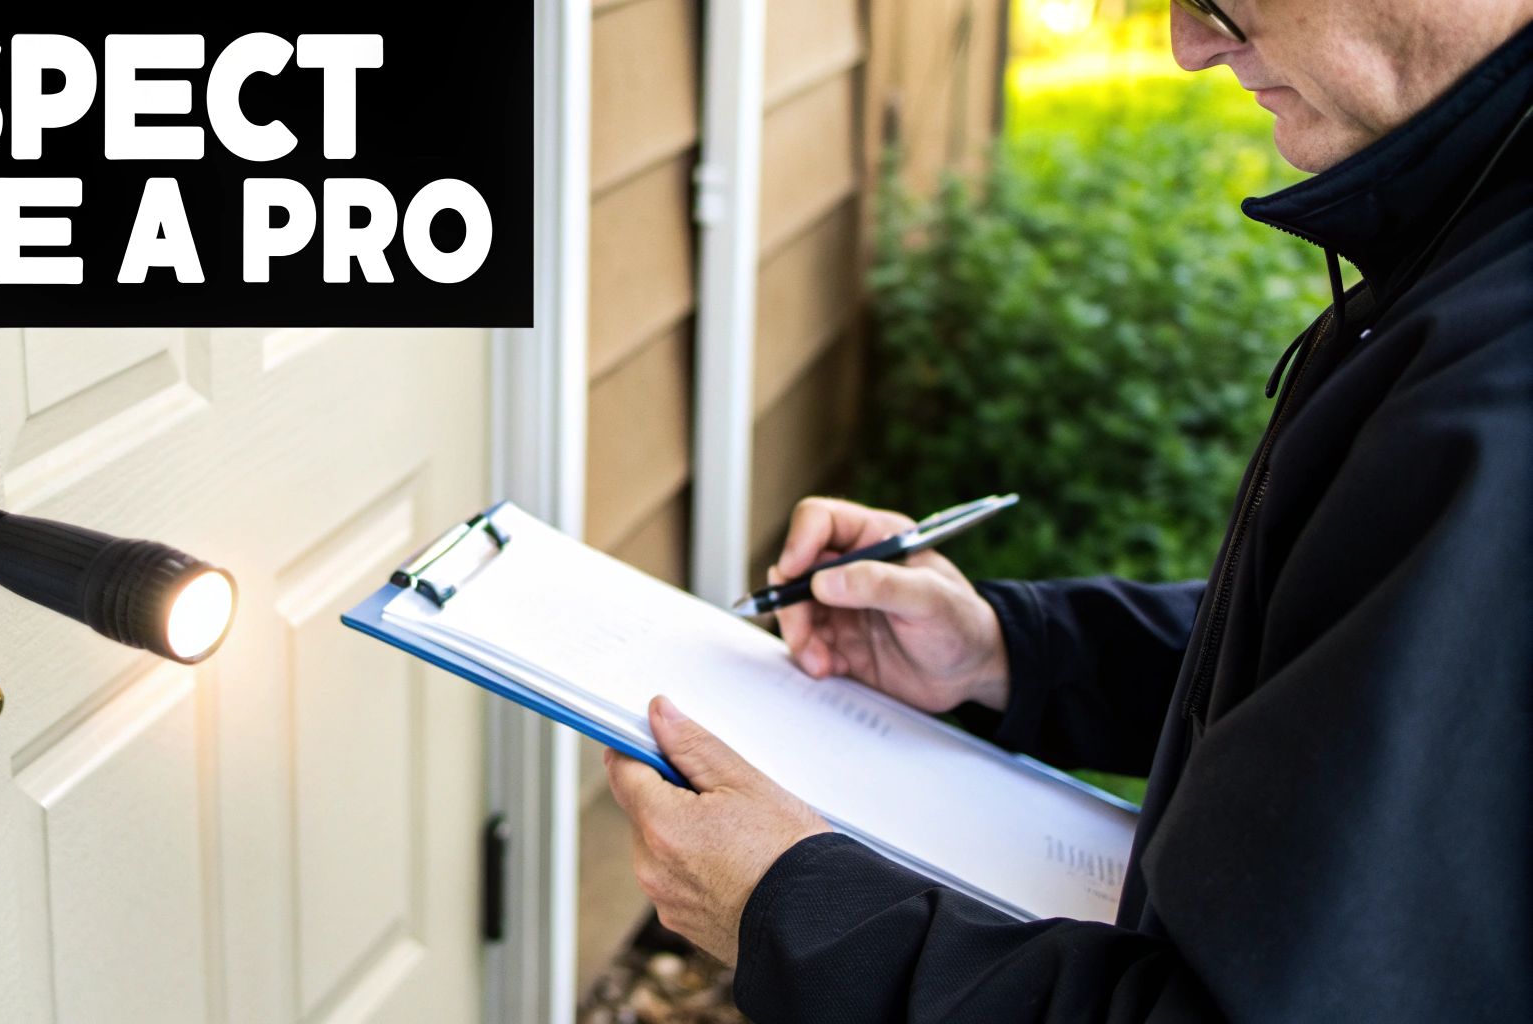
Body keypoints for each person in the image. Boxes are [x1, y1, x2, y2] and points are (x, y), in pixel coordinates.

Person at [604, 1, 1533, 1019]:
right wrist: (1014, 653)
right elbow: (1350, 671)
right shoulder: (1474, 242)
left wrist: (795, 916)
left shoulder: (1497, 405)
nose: (1189, 45)